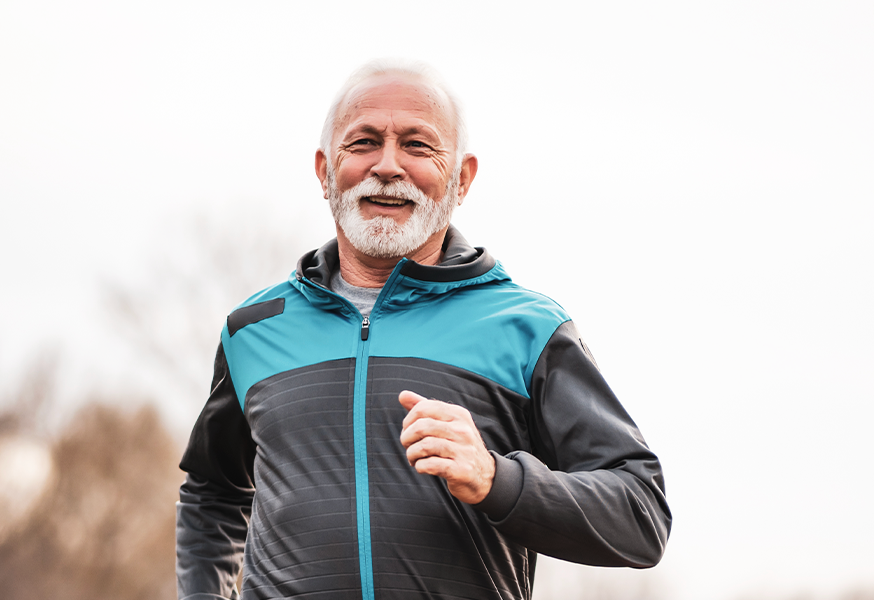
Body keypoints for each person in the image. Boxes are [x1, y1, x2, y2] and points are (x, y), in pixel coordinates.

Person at [175, 59, 671, 600]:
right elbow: (212, 492)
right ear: (323, 170)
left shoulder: (529, 329)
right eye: (363, 142)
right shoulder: (252, 330)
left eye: (417, 145)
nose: (387, 166)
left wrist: (493, 479)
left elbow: (640, 514)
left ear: (462, 178)